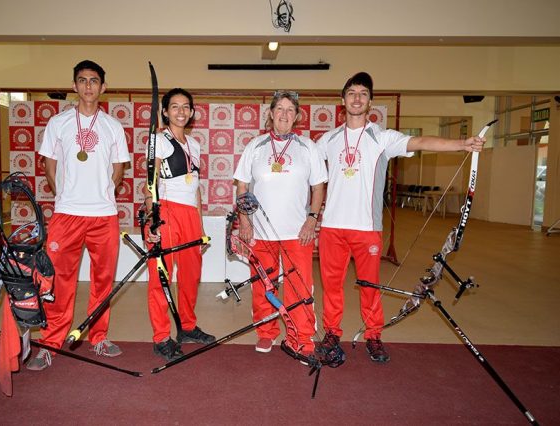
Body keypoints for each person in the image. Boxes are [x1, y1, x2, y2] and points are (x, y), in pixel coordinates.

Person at [316, 72, 486, 363]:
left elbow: (420, 141)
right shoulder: (327, 140)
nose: (357, 98)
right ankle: (332, 332)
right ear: (342, 101)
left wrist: (462, 144)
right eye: (352, 93)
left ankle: (373, 336)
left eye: (363, 94)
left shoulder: (382, 137)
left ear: (369, 102)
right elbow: (311, 175)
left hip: (366, 229)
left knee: (370, 286)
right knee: (332, 287)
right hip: (332, 227)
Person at [27, 60, 131, 370]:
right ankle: (50, 342)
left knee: (103, 280)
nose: (88, 86)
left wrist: (103, 193)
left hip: (103, 216)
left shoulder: (113, 127)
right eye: (82, 80)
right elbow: (50, 164)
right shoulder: (58, 123)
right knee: (59, 281)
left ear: (103, 87)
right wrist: (63, 193)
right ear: (75, 86)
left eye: (94, 80)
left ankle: (99, 337)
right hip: (66, 214)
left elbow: (119, 168)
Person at [233, 91, 327, 355]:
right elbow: (242, 187)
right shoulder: (255, 146)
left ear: (297, 116)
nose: (284, 114)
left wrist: (312, 219)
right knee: (263, 285)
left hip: (298, 232)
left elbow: (319, 187)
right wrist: (245, 221)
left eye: (290, 110)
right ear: (271, 114)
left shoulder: (309, 147)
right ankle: (266, 332)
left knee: (299, 287)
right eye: (280, 109)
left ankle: (302, 338)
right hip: (260, 232)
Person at [144, 88, 216, 362]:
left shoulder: (194, 144)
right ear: (164, 111)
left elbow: (195, 188)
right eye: (174, 106)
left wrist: (200, 224)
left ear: (192, 111)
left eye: (186, 106)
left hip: (189, 216)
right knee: (161, 277)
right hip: (167, 212)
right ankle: (161, 336)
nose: (181, 111)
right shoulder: (158, 140)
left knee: (189, 276)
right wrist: (154, 220)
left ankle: (186, 327)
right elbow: (150, 184)